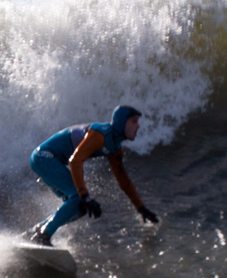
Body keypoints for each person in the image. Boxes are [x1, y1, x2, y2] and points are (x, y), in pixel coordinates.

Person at [25, 105, 159, 246]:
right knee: (78, 199)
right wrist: (85, 195)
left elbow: (123, 180)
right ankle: (43, 236)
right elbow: (75, 161)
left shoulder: (114, 148)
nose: (138, 126)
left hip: (48, 160)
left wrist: (141, 207)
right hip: (44, 156)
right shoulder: (100, 135)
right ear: (122, 121)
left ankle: (34, 232)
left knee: (79, 207)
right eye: (134, 121)